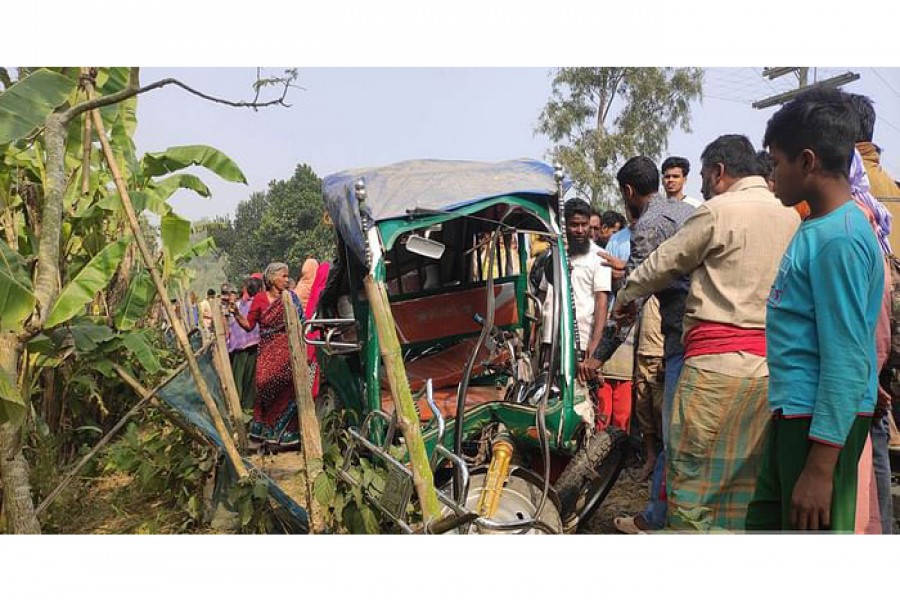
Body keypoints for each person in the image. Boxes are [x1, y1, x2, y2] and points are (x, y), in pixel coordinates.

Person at [614, 135, 800, 530]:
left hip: (715, 370)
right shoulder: (789, 215)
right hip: (771, 371)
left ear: (718, 172)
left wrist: (626, 294)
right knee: (745, 480)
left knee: (692, 482)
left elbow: (664, 261)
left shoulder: (718, 211)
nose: (699, 186)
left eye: (702, 175)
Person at [745, 88, 884, 532]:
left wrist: (821, 467)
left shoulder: (838, 239)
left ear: (807, 161)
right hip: (800, 412)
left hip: (817, 427)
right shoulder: (820, 227)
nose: (772, 176)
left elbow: (844, 355)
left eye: (776, 163)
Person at [594, 155, 695, 533]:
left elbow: (631, 300)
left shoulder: (648, 224)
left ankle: (655, 518)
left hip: (680, 338)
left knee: (672, 432)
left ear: (628, 191)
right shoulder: (687, 213)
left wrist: (598, 357)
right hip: (707, 332)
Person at [231, 262, 306, 452]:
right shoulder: (259, 300)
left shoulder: (291, 298)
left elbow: (302, 322)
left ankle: (285, 435)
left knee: (287, 389)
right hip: (267, 350)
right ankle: (265, 431)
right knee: (264, 385)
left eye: (288, 275)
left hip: (287, 351)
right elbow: (249, 325)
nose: (287, 279)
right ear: (272, 279)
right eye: (283, 276)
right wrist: (237, 314)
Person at [540, 198, 612, 384]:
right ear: (565, 226)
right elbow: (543, 294)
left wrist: (595, 343)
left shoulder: (599, 258)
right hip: (551, 339)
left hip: (579, 342)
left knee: (580, 399)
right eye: (574, 225)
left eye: (584, 225)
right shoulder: (554, 255)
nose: (580, 230)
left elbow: (601, 303)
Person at [229, 276, 263, 410]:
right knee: (250, 381)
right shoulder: (259, 304)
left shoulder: (239, 304)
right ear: (260, 289)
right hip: (253, 346)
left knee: (238, 380)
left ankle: (236, 409)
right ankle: (247, 410)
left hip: (237, 347)